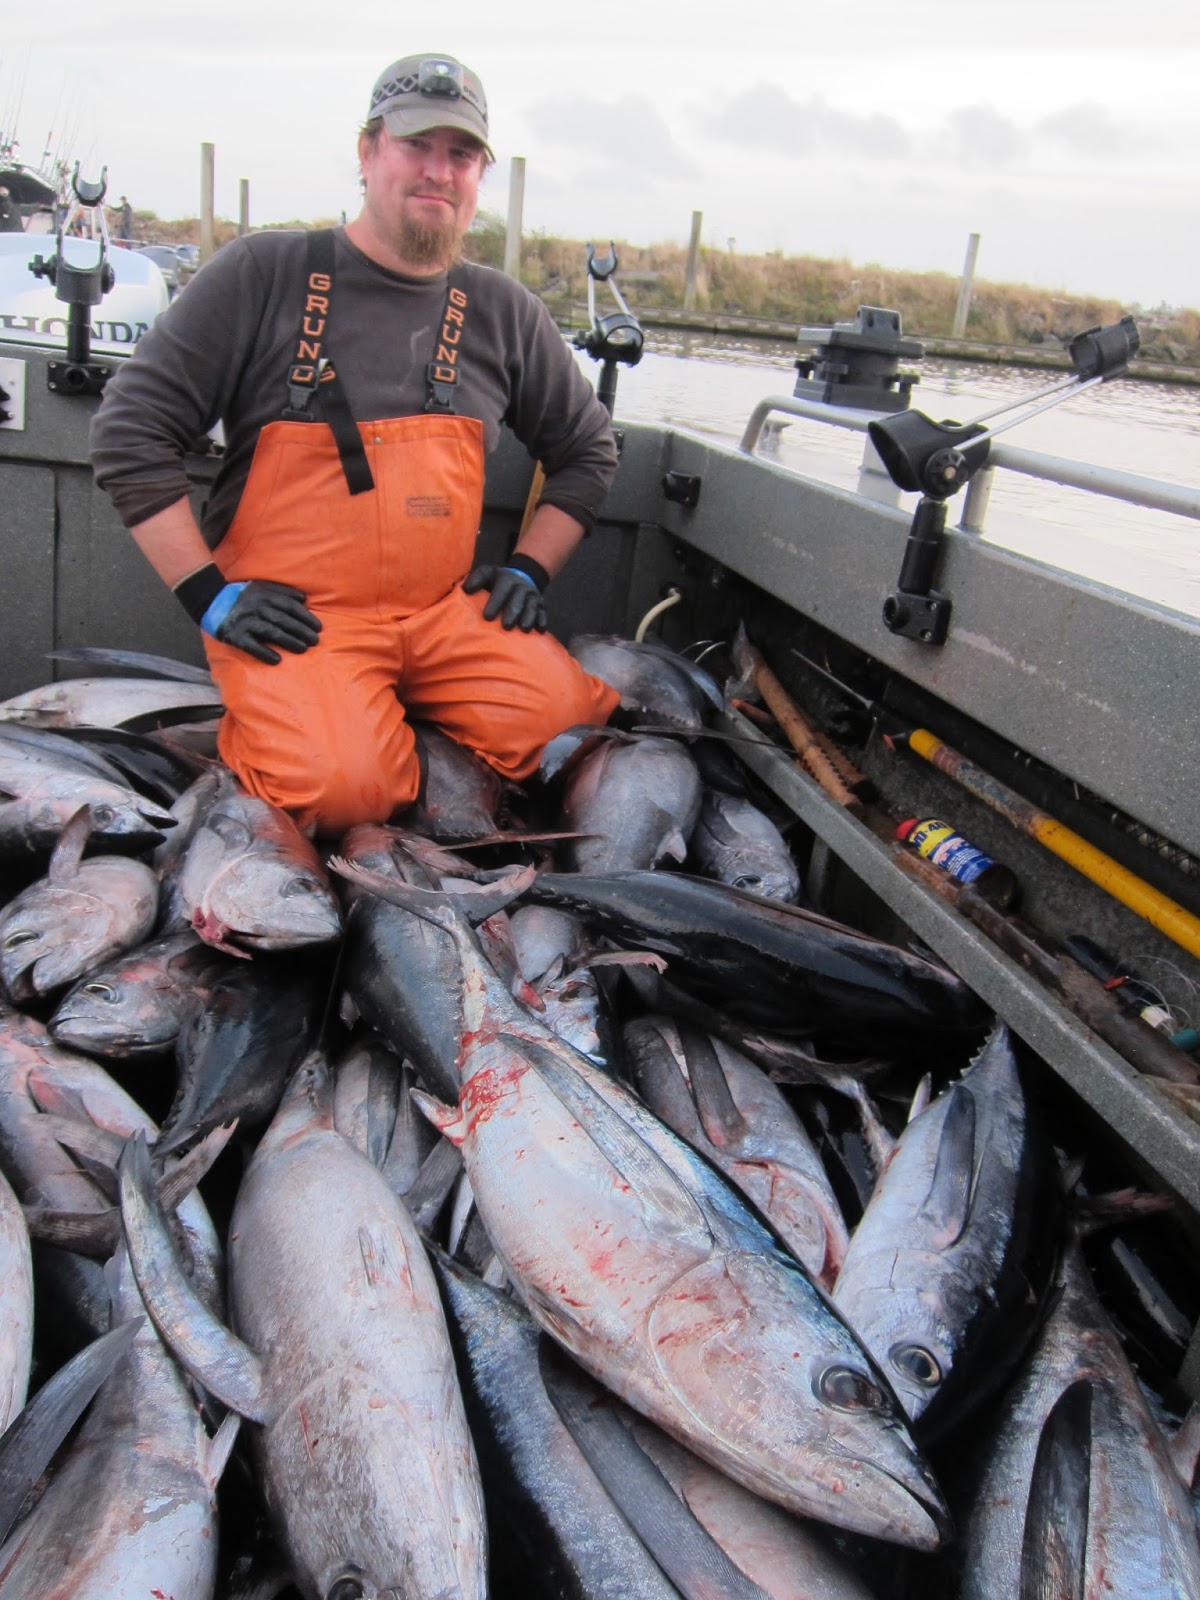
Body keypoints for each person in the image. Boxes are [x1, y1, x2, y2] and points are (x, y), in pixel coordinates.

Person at [91, 52, 620, 835]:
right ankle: (300, 731)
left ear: (481, 174)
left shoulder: (504, 310)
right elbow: (128, 434)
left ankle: (379, 724)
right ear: (368, 151)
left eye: (462, 154)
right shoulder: (260, 273)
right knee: (343, 792)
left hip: (444, 615)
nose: (438, 171)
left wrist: (528, 569)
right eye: (416, 146)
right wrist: (210, 597)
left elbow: (588, 451)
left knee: (574, 737)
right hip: (300, 621)